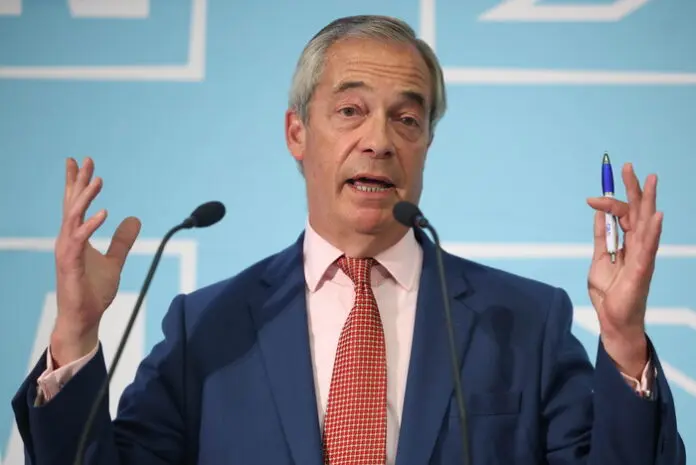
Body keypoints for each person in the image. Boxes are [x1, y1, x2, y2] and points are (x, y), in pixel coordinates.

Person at [11, 14, 685, 465]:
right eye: (350, 110)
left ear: (426, 143)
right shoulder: (208, 327)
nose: (379, 140)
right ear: (296, 134)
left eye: (407, 119)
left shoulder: (524, 320)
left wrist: (624, 341)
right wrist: (75, 334)